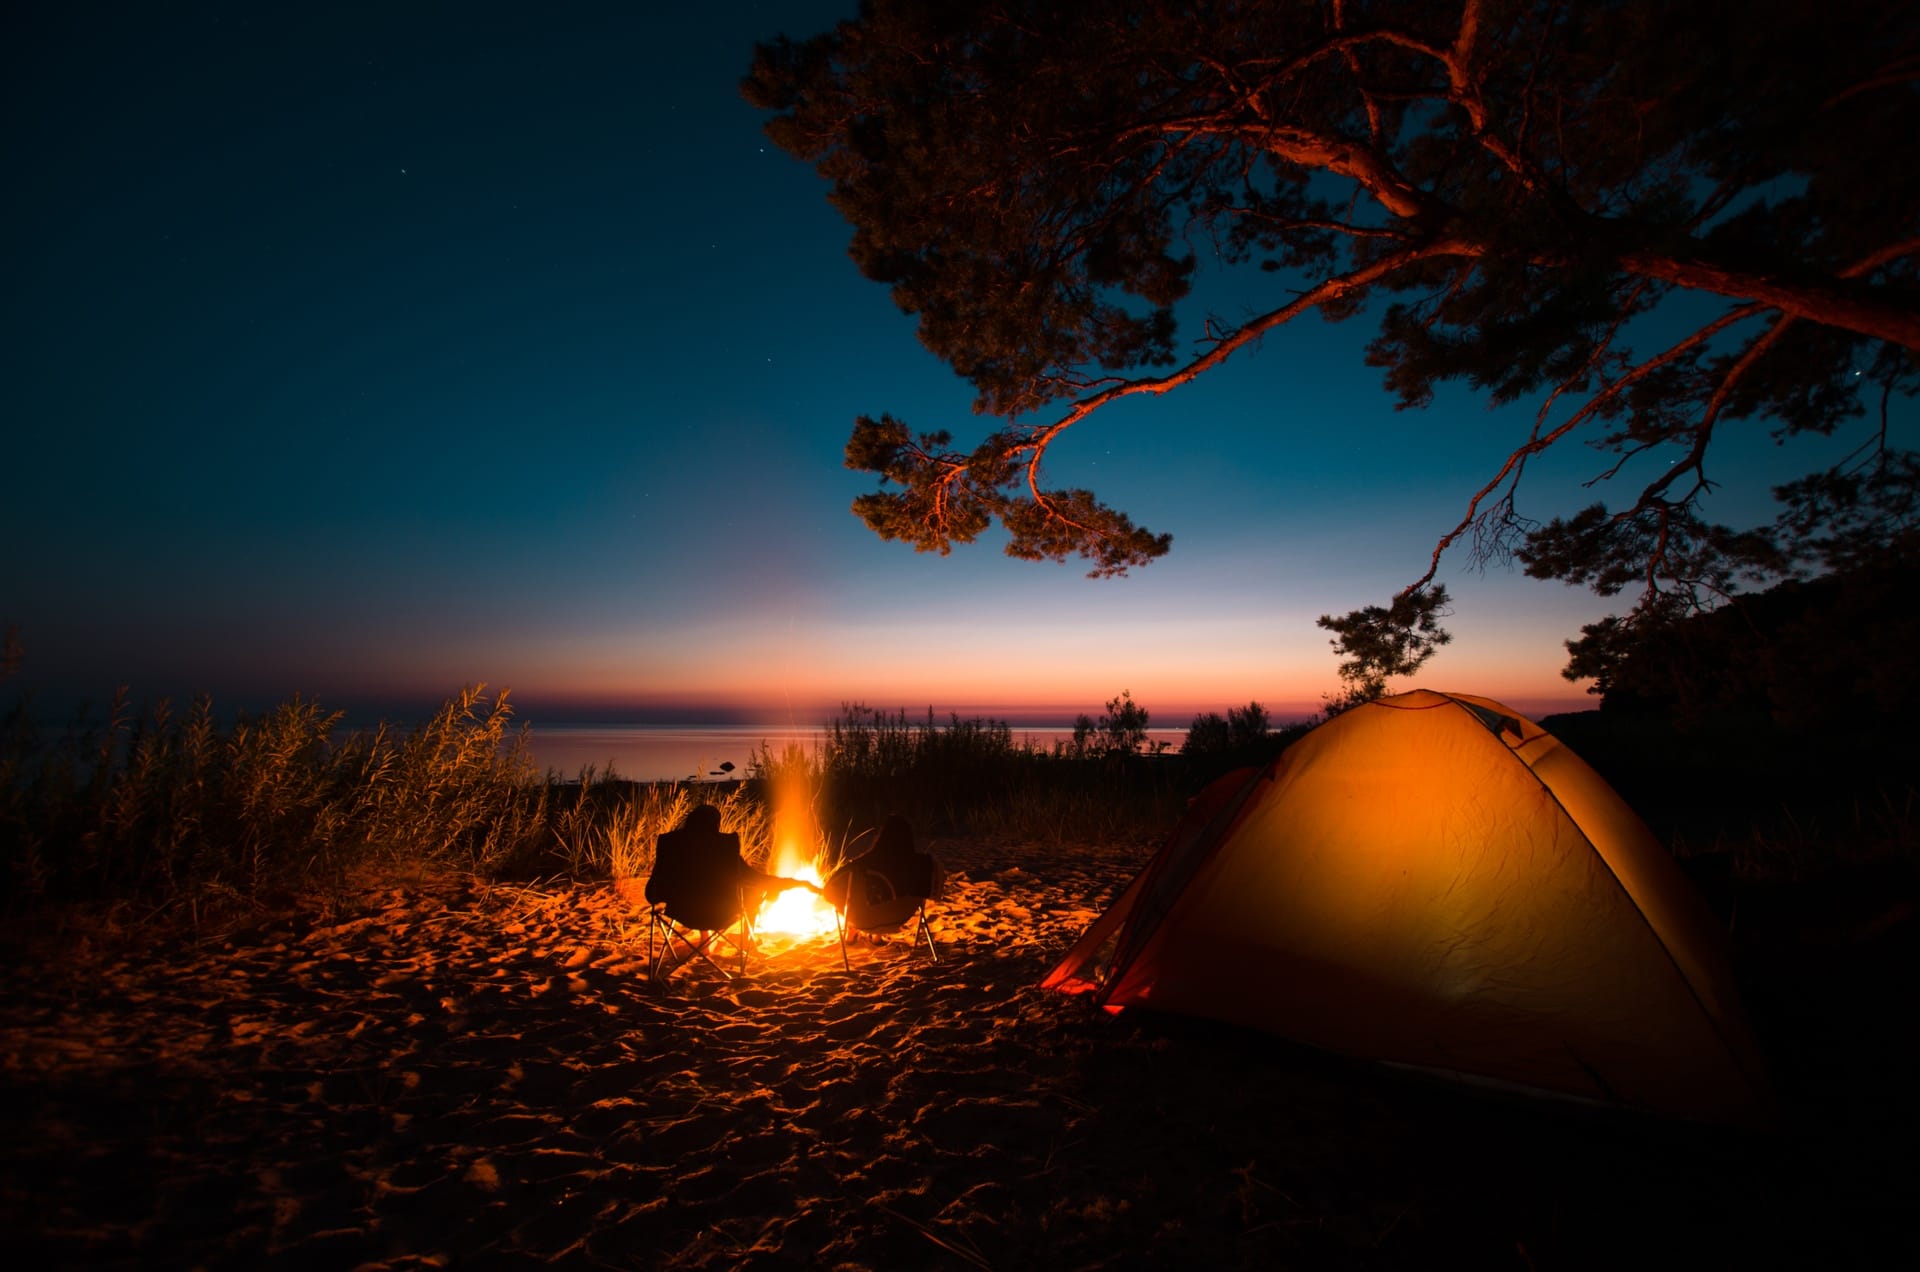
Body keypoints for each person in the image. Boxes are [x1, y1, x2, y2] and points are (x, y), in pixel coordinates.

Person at [648, 804, 808, 927]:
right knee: (753, 892)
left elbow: (652, 893)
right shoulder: (724, 846)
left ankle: (706, 943)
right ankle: (748, 942)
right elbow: (753, 877)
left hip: (681, 912)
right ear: (716, 824)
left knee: (699, 890)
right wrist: (790, 883)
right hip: (720, 915)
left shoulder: (671, 845)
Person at [823, 814, 944, 931]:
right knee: (885, 891)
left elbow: (828, 892)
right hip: (901, 919)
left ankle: (852, 933)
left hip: (865, 923)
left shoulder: (862, 865)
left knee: (858, 894)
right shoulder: (924, 865)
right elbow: (935, 891)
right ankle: (876, 938)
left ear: (883, 837)